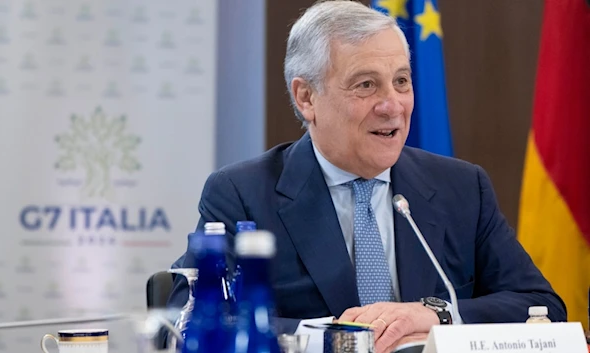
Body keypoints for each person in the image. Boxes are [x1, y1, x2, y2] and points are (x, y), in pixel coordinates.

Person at [167, 1, 566, 351]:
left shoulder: (461, 188)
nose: (392, 105)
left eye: (401, 81)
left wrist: (435, 315)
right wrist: (339, 337)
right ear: (307, 97)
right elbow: (192, 318)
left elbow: (541, 306)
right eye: (366, 85)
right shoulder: (243, 193)